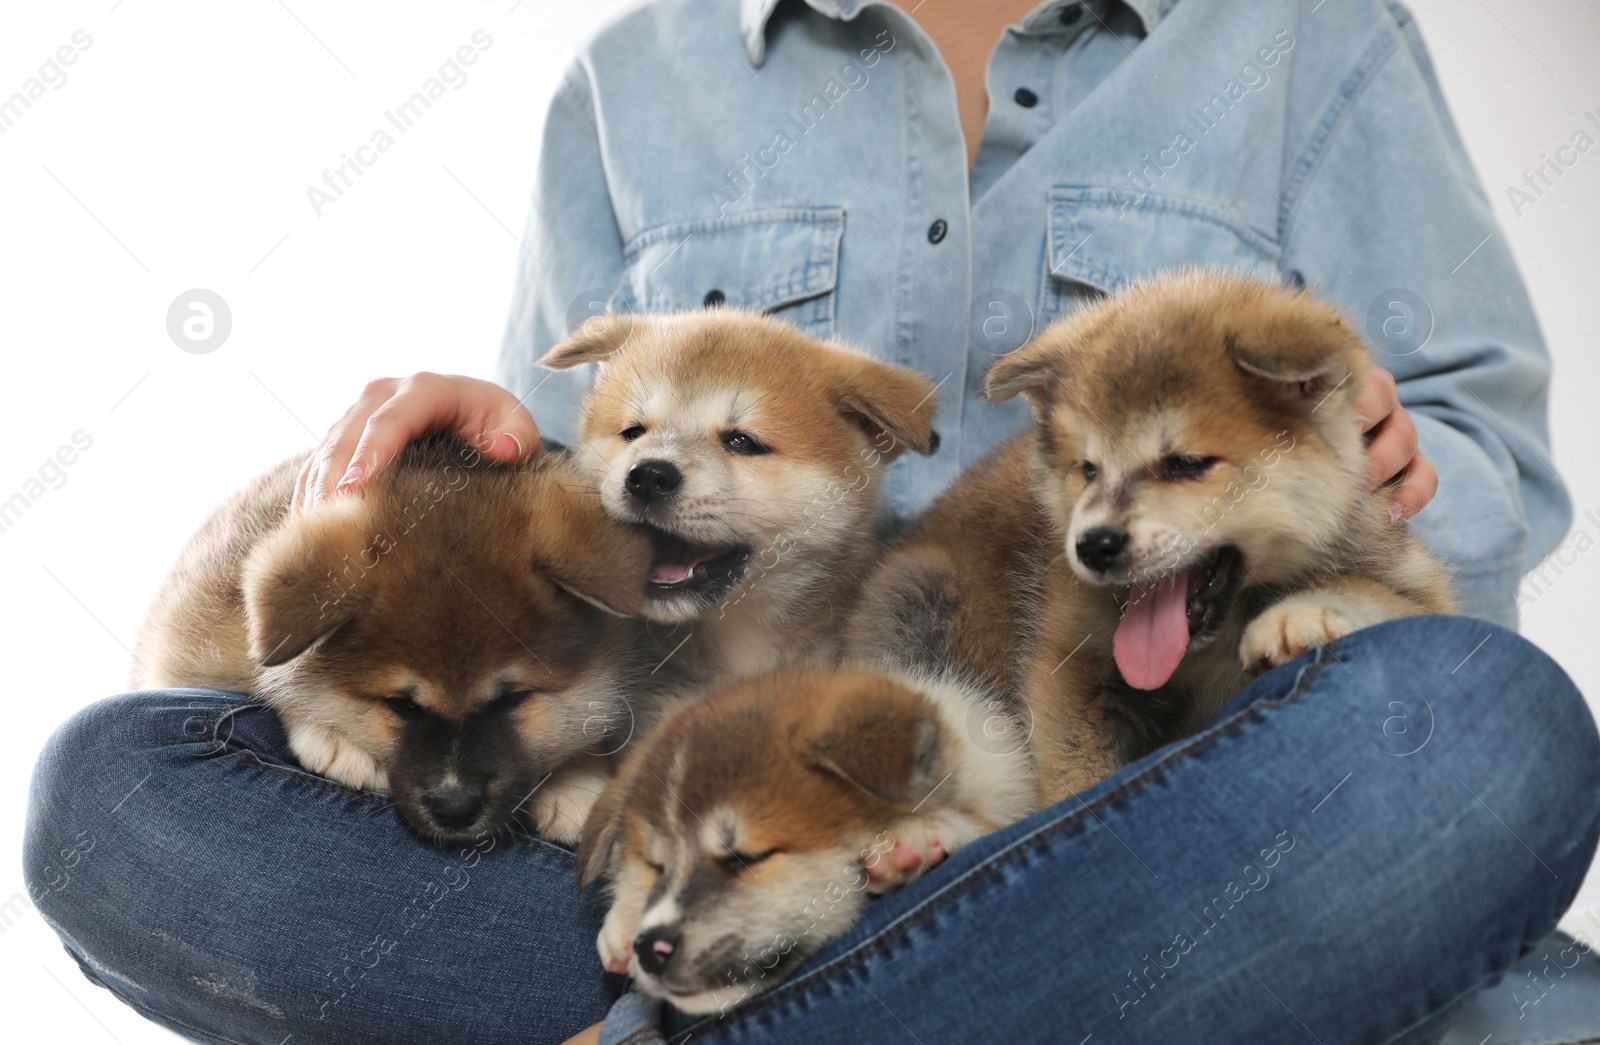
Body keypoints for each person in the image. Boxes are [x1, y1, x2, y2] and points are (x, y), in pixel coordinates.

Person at [25, 2, 1600, 1043]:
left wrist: (1395, 453)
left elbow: (1481, 456)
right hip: (722, 838)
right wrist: (463, 458)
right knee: (117, 793)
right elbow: (560, 563)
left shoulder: (1303, 37)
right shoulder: (639, 79)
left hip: (1154, 802)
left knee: (1479, 734)